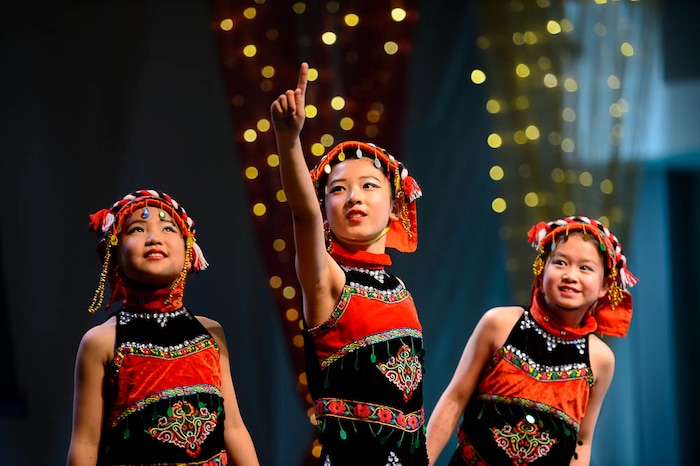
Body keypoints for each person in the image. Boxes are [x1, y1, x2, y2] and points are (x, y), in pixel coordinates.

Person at [270, 62, 428, 465]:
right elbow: (302, 214)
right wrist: (288, 141)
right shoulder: (326, 278)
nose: (353, 196)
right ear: (325, 212)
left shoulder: (400, 291)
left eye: (368, 185)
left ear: (395, 206)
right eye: (338, 189)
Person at [67, 189, 259, 466]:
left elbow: (234, 428)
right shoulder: (101, 342)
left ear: (188, 249)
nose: (154, 237)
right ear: (115, 254)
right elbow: (86, 442)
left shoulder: (211, 333)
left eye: (168, 228)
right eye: (137, 228)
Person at [426, 216, 638, 465]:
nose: (570, 275)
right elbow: (454, 399)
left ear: (604, 286)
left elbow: (583, 440)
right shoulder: (499, 323)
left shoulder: (600, 359)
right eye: (560, 262)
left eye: (585, 268)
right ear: (542, 268)